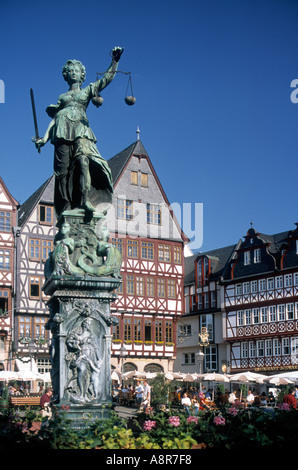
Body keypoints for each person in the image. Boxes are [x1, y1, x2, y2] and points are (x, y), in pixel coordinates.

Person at [34, 47, 124, 218]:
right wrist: (44, 139)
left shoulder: (87, 91)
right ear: (66, 75)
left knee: (83, 162)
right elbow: (54, 120)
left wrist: (115, 61)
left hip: (81, 131)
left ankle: (84, 201)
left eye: (77, 70)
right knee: (62, 173)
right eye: (70, 71)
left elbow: (107, 78)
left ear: (82, 74)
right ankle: (66, 207)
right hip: (61, 132)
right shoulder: (62, 98)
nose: (74, 73)